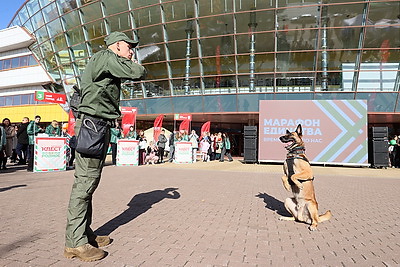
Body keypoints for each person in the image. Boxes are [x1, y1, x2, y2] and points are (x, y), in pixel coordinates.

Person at [64, 31, 145, 262]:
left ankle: (84, 233)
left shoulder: (104, 61)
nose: (131, 52)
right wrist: (133, 63)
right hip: (92, 126)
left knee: (88, 183)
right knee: (85, 184)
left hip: (96, 126)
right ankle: (75, 242)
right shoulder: (107, 57)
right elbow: (138, 71)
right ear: (117, 46)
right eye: (129, 47)